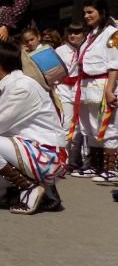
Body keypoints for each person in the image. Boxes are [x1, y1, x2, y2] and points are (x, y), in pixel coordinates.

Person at [0, 40, 66, 214]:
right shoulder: (9, 85)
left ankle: (28, 187)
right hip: (25, 151)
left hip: (46, 155)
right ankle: (41, 189)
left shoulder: (21, 87)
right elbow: (1, 129)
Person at [75, 0, 118, 184]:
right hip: (86, 87)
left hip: (102, 86)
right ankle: (96, 165)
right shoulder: (90, 36)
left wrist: (110, 90)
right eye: (84, 13)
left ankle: (112, 169)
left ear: (101, 12)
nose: (86, 16)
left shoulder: (113, 34)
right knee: (90, 127)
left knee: (108, 127)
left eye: (90, 12)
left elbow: (114, 64)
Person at [58, 23, 91, 176]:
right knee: (67, 125)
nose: (73, 36)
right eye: (70, 32)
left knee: (82, 128)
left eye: (77, 33)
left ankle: (77, 161)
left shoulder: (88, 48)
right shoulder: (60, 50)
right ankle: (62, 161)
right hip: (64, 90)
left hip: (83, 90)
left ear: (84, 34)